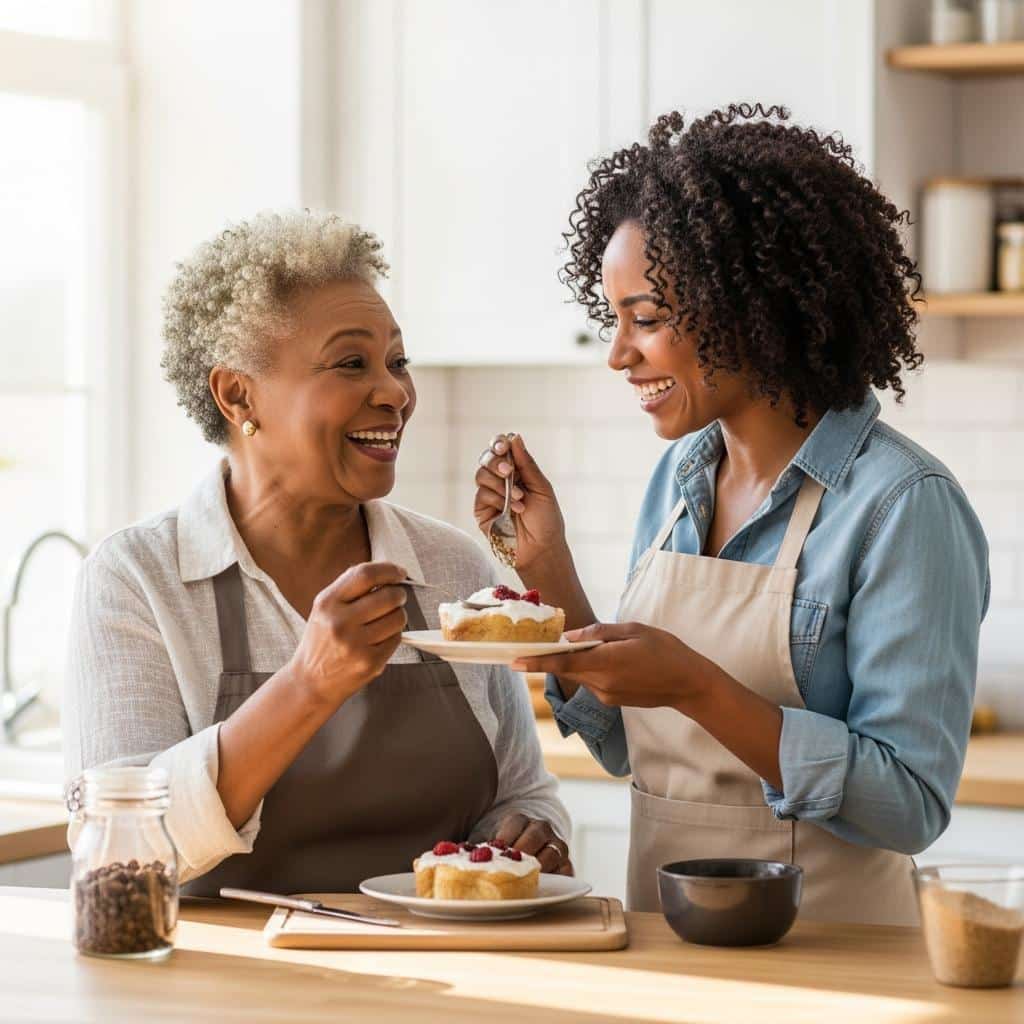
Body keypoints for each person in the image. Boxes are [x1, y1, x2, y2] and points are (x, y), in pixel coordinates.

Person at [474, 105, 989, 924]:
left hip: (832, 958)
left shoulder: (901, 505)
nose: (618, 353)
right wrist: (547, 570)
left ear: (753, 305)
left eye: (646, 319)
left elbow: (909, 804)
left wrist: (695, 684)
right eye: (613, 321)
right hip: (664, 941)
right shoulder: (680, 478)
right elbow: (631, 746)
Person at [65, 211, 570, 894]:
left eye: (397, 362)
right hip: (226, 993)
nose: (394, 393)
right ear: (238, 394)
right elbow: (117, 858)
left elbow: (523, 793)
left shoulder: (453, 568)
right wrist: (308, 685)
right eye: (351, 363)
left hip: (442, 981)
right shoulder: (139, 579)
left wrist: (527, 833)